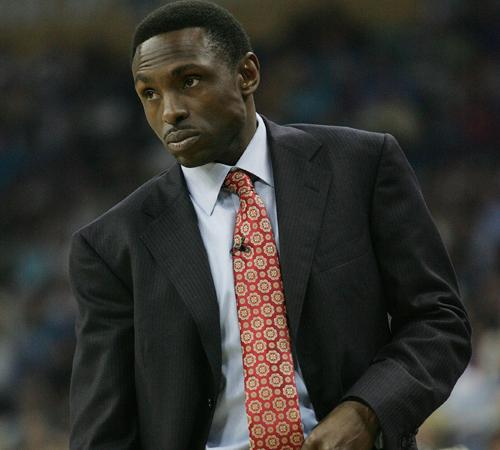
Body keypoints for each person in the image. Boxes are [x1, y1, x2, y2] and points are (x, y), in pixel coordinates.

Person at [68, 1, 472, 449]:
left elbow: (438, 320)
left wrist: (367, 410)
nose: (170, 111)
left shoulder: (360, 167)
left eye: (189, 81)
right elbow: (103, 432)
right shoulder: (109, 245)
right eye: (150, 93)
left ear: (247, 75)